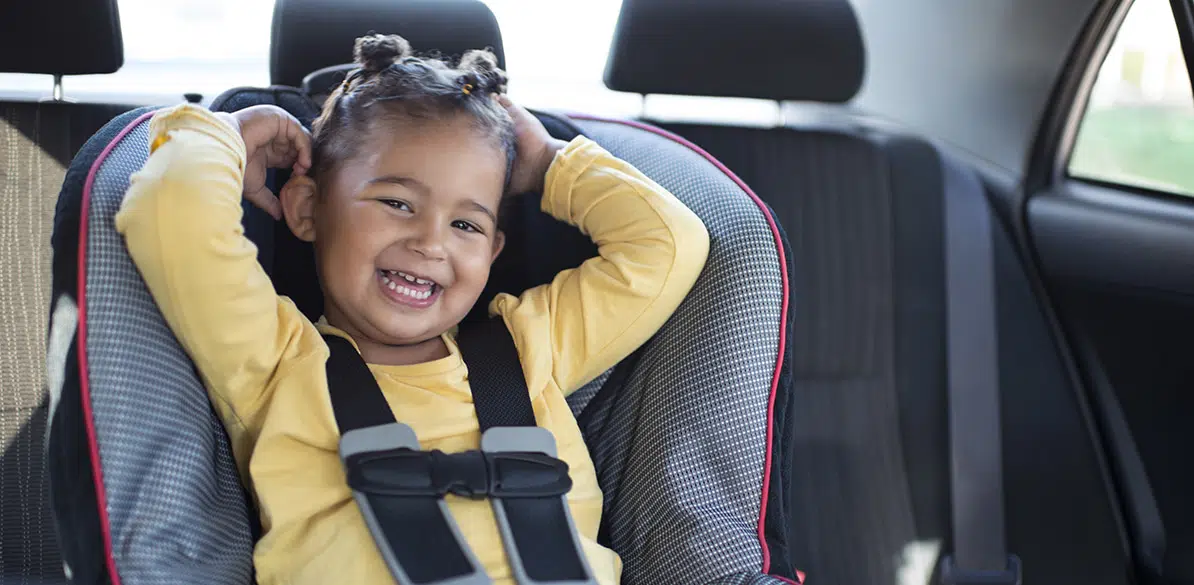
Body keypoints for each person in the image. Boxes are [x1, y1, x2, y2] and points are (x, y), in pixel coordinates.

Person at [115, 33, 709, 585]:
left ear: (493, 252)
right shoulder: (270, 358)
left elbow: (671, 244)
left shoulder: (535, 346)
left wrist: (551, 162)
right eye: (398, 202)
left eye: (465, 224)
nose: (431, 242)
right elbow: (171, 214)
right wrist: (229, 132)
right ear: (307, 209)